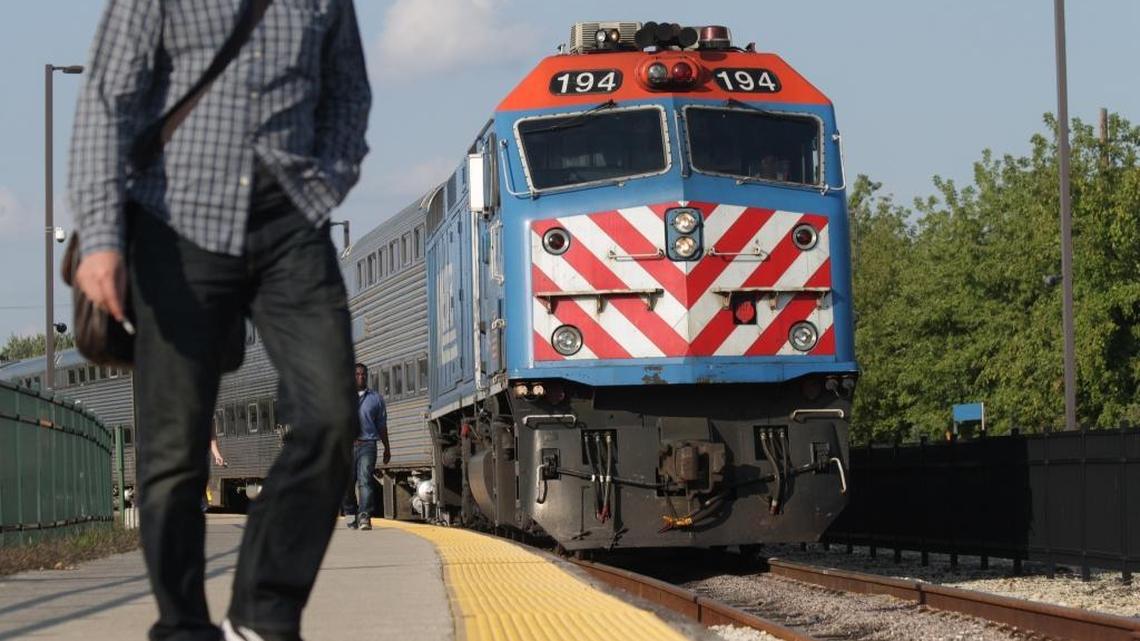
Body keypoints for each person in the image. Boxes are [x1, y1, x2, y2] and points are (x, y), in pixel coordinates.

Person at [69, 1, 371, 640]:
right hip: (176, 225)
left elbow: (348, 93)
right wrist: (99, 237)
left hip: (290, 224)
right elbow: (106, 101)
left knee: (331, 415)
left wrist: (323, 187)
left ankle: (263, 614)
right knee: (173, 453)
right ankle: (183, 625)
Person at [342, 363, 390, 531]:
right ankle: (350, 513)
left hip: (368, 444)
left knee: (365, 481)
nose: (360, 377)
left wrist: (387, 447)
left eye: (363, 374)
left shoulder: (376, 399)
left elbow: (382, 425)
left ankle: (364, 517)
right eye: (357, 374)